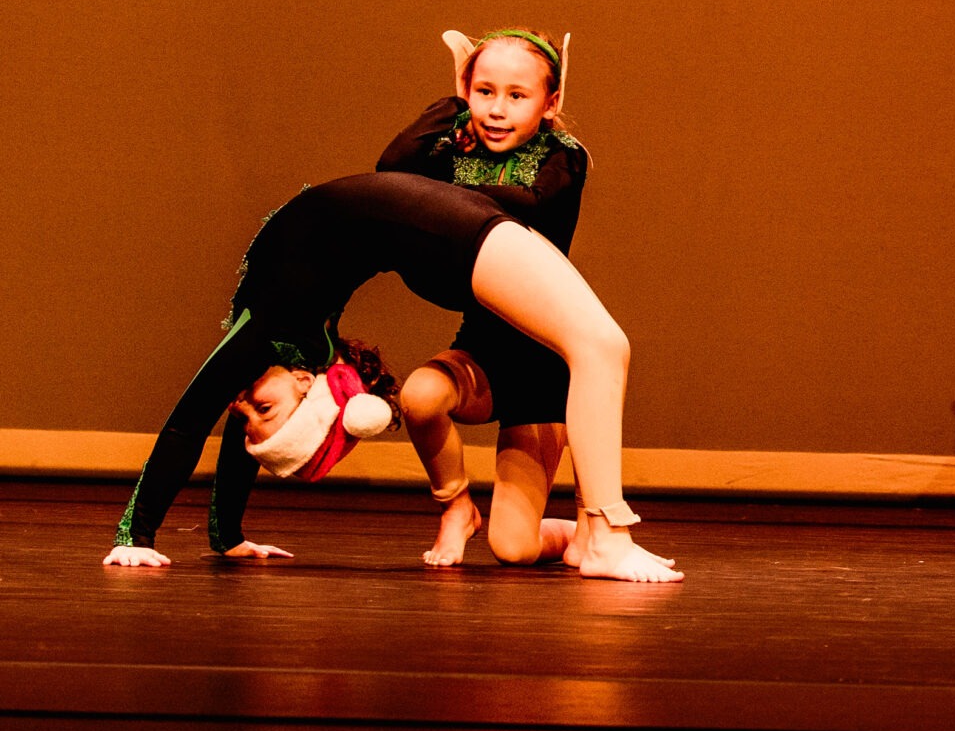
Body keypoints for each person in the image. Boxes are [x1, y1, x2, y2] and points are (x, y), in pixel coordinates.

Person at [102, 171, 678, 582]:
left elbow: (188, 424)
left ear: (305, 387)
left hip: (444, 232)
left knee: (599, 347)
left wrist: (139, 537)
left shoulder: (263, 337)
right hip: (442, 238)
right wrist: (226, 533)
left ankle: (603, 538)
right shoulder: (296, 351)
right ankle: (597, 537)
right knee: (600, 347)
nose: (243, 405)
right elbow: (235, 434)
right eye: (258, 413)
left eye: (257, 411)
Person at [379, 28, 591, 568]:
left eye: (517, 96)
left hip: (541, 370)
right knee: (421, 397)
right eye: (484, 91)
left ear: (551, 102)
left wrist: (441, 198)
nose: (497, 109)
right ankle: (456, 508)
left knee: (514, 549)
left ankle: (569, 534)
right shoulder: (454, 153)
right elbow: (391, 170)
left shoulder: (564, 157)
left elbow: (531, 206)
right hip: (482, 351)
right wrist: (453, 103)